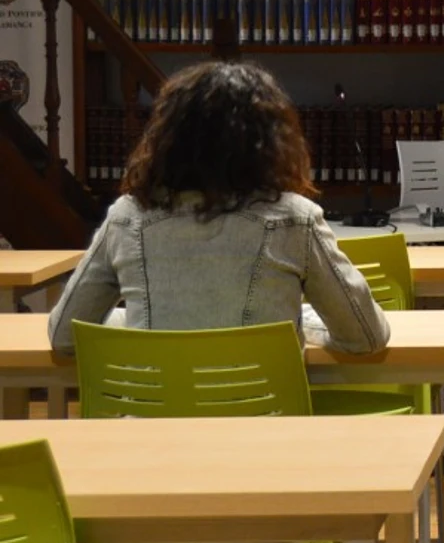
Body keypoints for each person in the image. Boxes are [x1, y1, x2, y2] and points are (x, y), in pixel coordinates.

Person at [49, 61, 390, 357]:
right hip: (262, 423)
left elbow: (63, 333)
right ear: (272, 142)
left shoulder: (127, 217)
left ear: (165, 137)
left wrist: (139, 321)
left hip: (151, 428)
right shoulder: (295, 220)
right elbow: (366, 337)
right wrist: (306, 327)